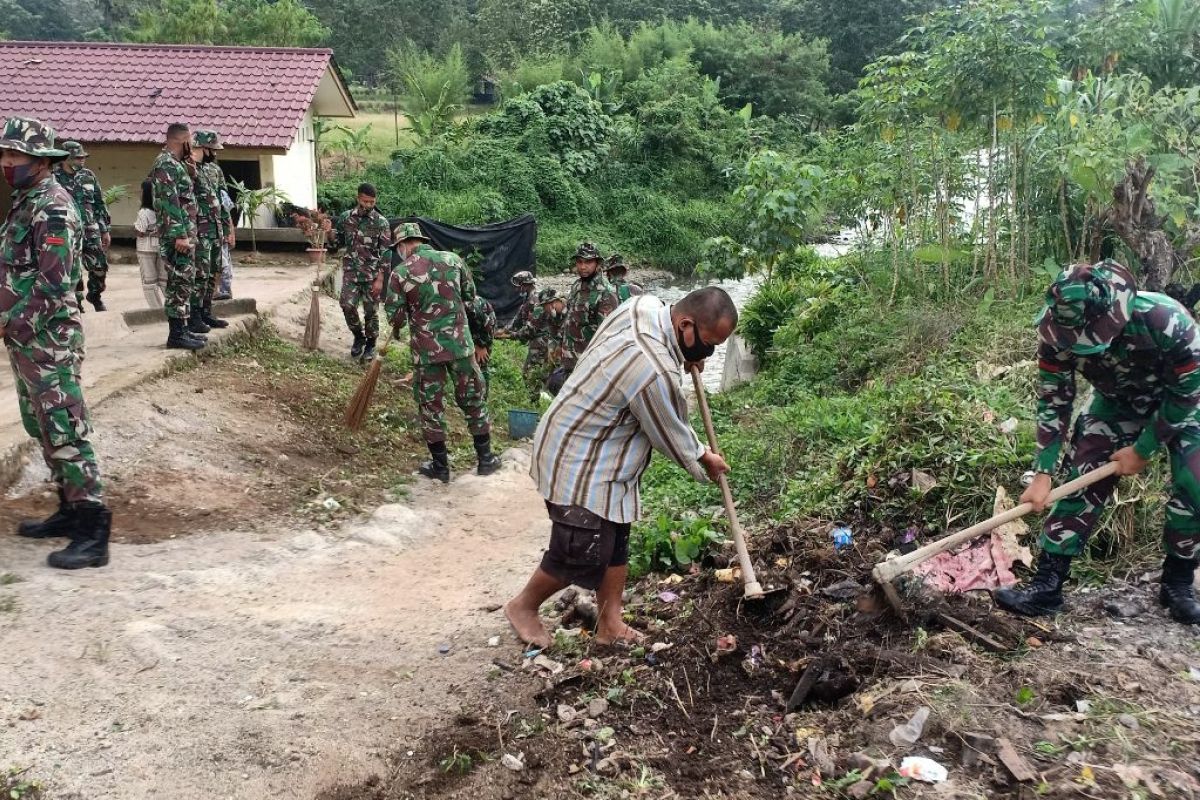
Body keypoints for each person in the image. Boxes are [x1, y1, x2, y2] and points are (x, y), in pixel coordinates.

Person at [504, 288, 737, 647]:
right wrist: (703, 456)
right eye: (706, 344)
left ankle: (610, 623)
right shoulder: (651, 368)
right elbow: (669, 431)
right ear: (685, 324)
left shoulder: (646, 305)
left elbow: (665, 359)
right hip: (578, 455)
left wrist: (685, 354)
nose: (707, 353)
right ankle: (523, 606)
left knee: (616, 538)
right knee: (580, 547)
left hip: (603, 448)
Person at [996, 261, 1200, 625]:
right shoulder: (1057, 333)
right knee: (1083, 472)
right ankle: (1047, 585)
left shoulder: (1167, 322)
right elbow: (1054, 400)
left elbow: (1186, 394)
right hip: (1116, 401)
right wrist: (1043, 473)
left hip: (1179, 403)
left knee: (1195, 483)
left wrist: (1142, 449)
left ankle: (1178, 582)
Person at [1, 116, 112, 569]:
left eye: (15, 155)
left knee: (65, 427)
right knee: (42, 425)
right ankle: (68, 510)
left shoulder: (54, 207)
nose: (7, 162)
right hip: (26, 338)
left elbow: (54, 283)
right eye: (4, 154)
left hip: (49, 340)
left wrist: (10, 322)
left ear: (42, 160)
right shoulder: (25, 200)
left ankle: (93, 530)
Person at [385, 222, 501, 483]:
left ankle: (441, 467)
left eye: (398, 248)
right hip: (461, 346)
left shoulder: (400, 273)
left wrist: (409, 310)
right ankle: (485, 459)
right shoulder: (454, 260)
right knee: (473, 399)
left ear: (403, 246)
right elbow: (471, 298)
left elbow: (396, 318)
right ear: (421, 240)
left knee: (431, 407)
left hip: (427, 354)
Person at [150, 122, 204, 350]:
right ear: (182, 141)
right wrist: (180, 235)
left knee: (185, 281)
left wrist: (190, 171)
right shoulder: (165, 164)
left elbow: (183, 196)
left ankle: (183, 329)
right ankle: (176, 334)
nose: (191, 146)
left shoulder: (176, 164)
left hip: (185, 234)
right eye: (189, 141)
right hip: (177, 236)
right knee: (178, 283)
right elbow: (168, 202)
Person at [53, 141, 111, 311]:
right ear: (65, 158)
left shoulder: (88, 176)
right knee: (72, 268)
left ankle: (95, 294)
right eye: (78, 157)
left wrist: (104, 230)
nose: (82, 160)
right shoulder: (54, 178)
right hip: (66, 231)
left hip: (90, 229)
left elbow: (99, 204)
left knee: (100, 265)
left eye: (83, 157)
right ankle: (76, 302)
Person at [189, 129, 233, 330]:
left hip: (216, 230)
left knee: (213, 272)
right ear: (202, 148)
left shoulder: (215, 170)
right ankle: (194, 316)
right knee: (200, 274)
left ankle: (207, 313)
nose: (215, 153)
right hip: (198, 232)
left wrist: (228, 227)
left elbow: (223, 201)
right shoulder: (188, 169)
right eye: (212, 150)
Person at [559, 241, 619, 373]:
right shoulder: (576, 286)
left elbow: (608, 336)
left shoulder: (605, 293)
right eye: (579, 262)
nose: (583, 267)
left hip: (588, 366)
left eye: (588, 262)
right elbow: (570, 318)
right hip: (569, 359)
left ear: (597, 264)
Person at [519, 287, 565, 402]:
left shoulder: (572, 310)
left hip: (577, 351)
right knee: (548, 377)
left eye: (545, 306)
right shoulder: (551, 316)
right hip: (557, 348)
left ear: (553, 303)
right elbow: (554, 336)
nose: (544, 309)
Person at [133, 179, 165, 308]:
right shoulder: (162, 210)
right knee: (164, 280)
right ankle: (173, 307)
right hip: (161, 246)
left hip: (145, 248)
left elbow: (140, 231)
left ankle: (156, 309)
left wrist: (135, 227)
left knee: (149, 281)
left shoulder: (144, 212)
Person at [466, 293, 497, 400]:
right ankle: (471, 394)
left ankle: (482, 397)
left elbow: (486, 324)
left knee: (481, 362)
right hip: (472, 328)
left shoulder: (470, 306)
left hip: (486, 327)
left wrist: (482, 345)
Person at [215, 187, 236, 300]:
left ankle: (225, 291)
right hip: (207, 235)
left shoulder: (221, 193)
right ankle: (216, 292)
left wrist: (231, 233)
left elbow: (228, 215)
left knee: (225, 265)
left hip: (222, 235)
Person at [504, 270, 537, 335]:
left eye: (520, 286)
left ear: (525, 285)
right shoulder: (527, 297)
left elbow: (534, 324)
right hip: (526, 331)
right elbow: (518, 317)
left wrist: (515, 334)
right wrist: (506, 329)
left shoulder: (535, 299)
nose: (518, 289)